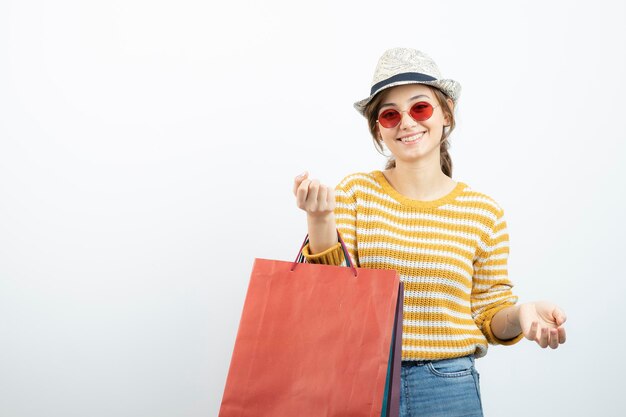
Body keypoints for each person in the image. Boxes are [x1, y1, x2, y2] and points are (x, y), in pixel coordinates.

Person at [292, 48, 567, 417]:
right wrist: (320, 220)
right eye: (390, 115)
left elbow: (489, 313)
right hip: (360, 380)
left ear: (446, 113)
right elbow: (331, 299)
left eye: (419, 108)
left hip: (448, 387)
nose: (406, 122)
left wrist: (522, 313)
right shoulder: (356, 193)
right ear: (379, 129)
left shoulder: (482, 213)